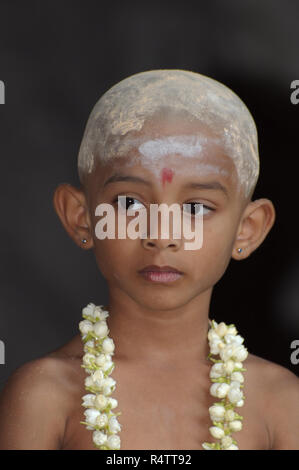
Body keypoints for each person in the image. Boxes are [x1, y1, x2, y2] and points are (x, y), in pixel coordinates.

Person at [0, 69, 298, 450]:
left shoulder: (280, 402)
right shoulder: (45, 395)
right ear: (81, 217)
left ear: (247, 229)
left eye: (196, 207)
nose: (161, 234)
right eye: (129, 203)